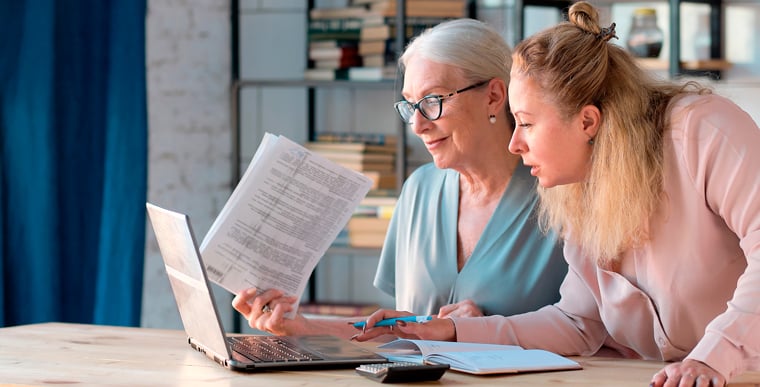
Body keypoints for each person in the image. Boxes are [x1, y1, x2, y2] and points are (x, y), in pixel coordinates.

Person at [353, 2, 760, 386]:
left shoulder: (702, 132)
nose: (514, 143)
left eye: (526, 123)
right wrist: (452, 330)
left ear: (587, 121)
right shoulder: (580, 185)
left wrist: (712, 357)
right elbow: (577, 323)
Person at [231, 18, 567, 340]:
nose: (417, 125)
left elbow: (590, 336)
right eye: (410, 106)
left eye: (432, 101)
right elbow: (401, 335)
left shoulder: (561, 196)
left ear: (494, 96)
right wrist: (299, 326)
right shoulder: (419, 190)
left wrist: (480, 333)